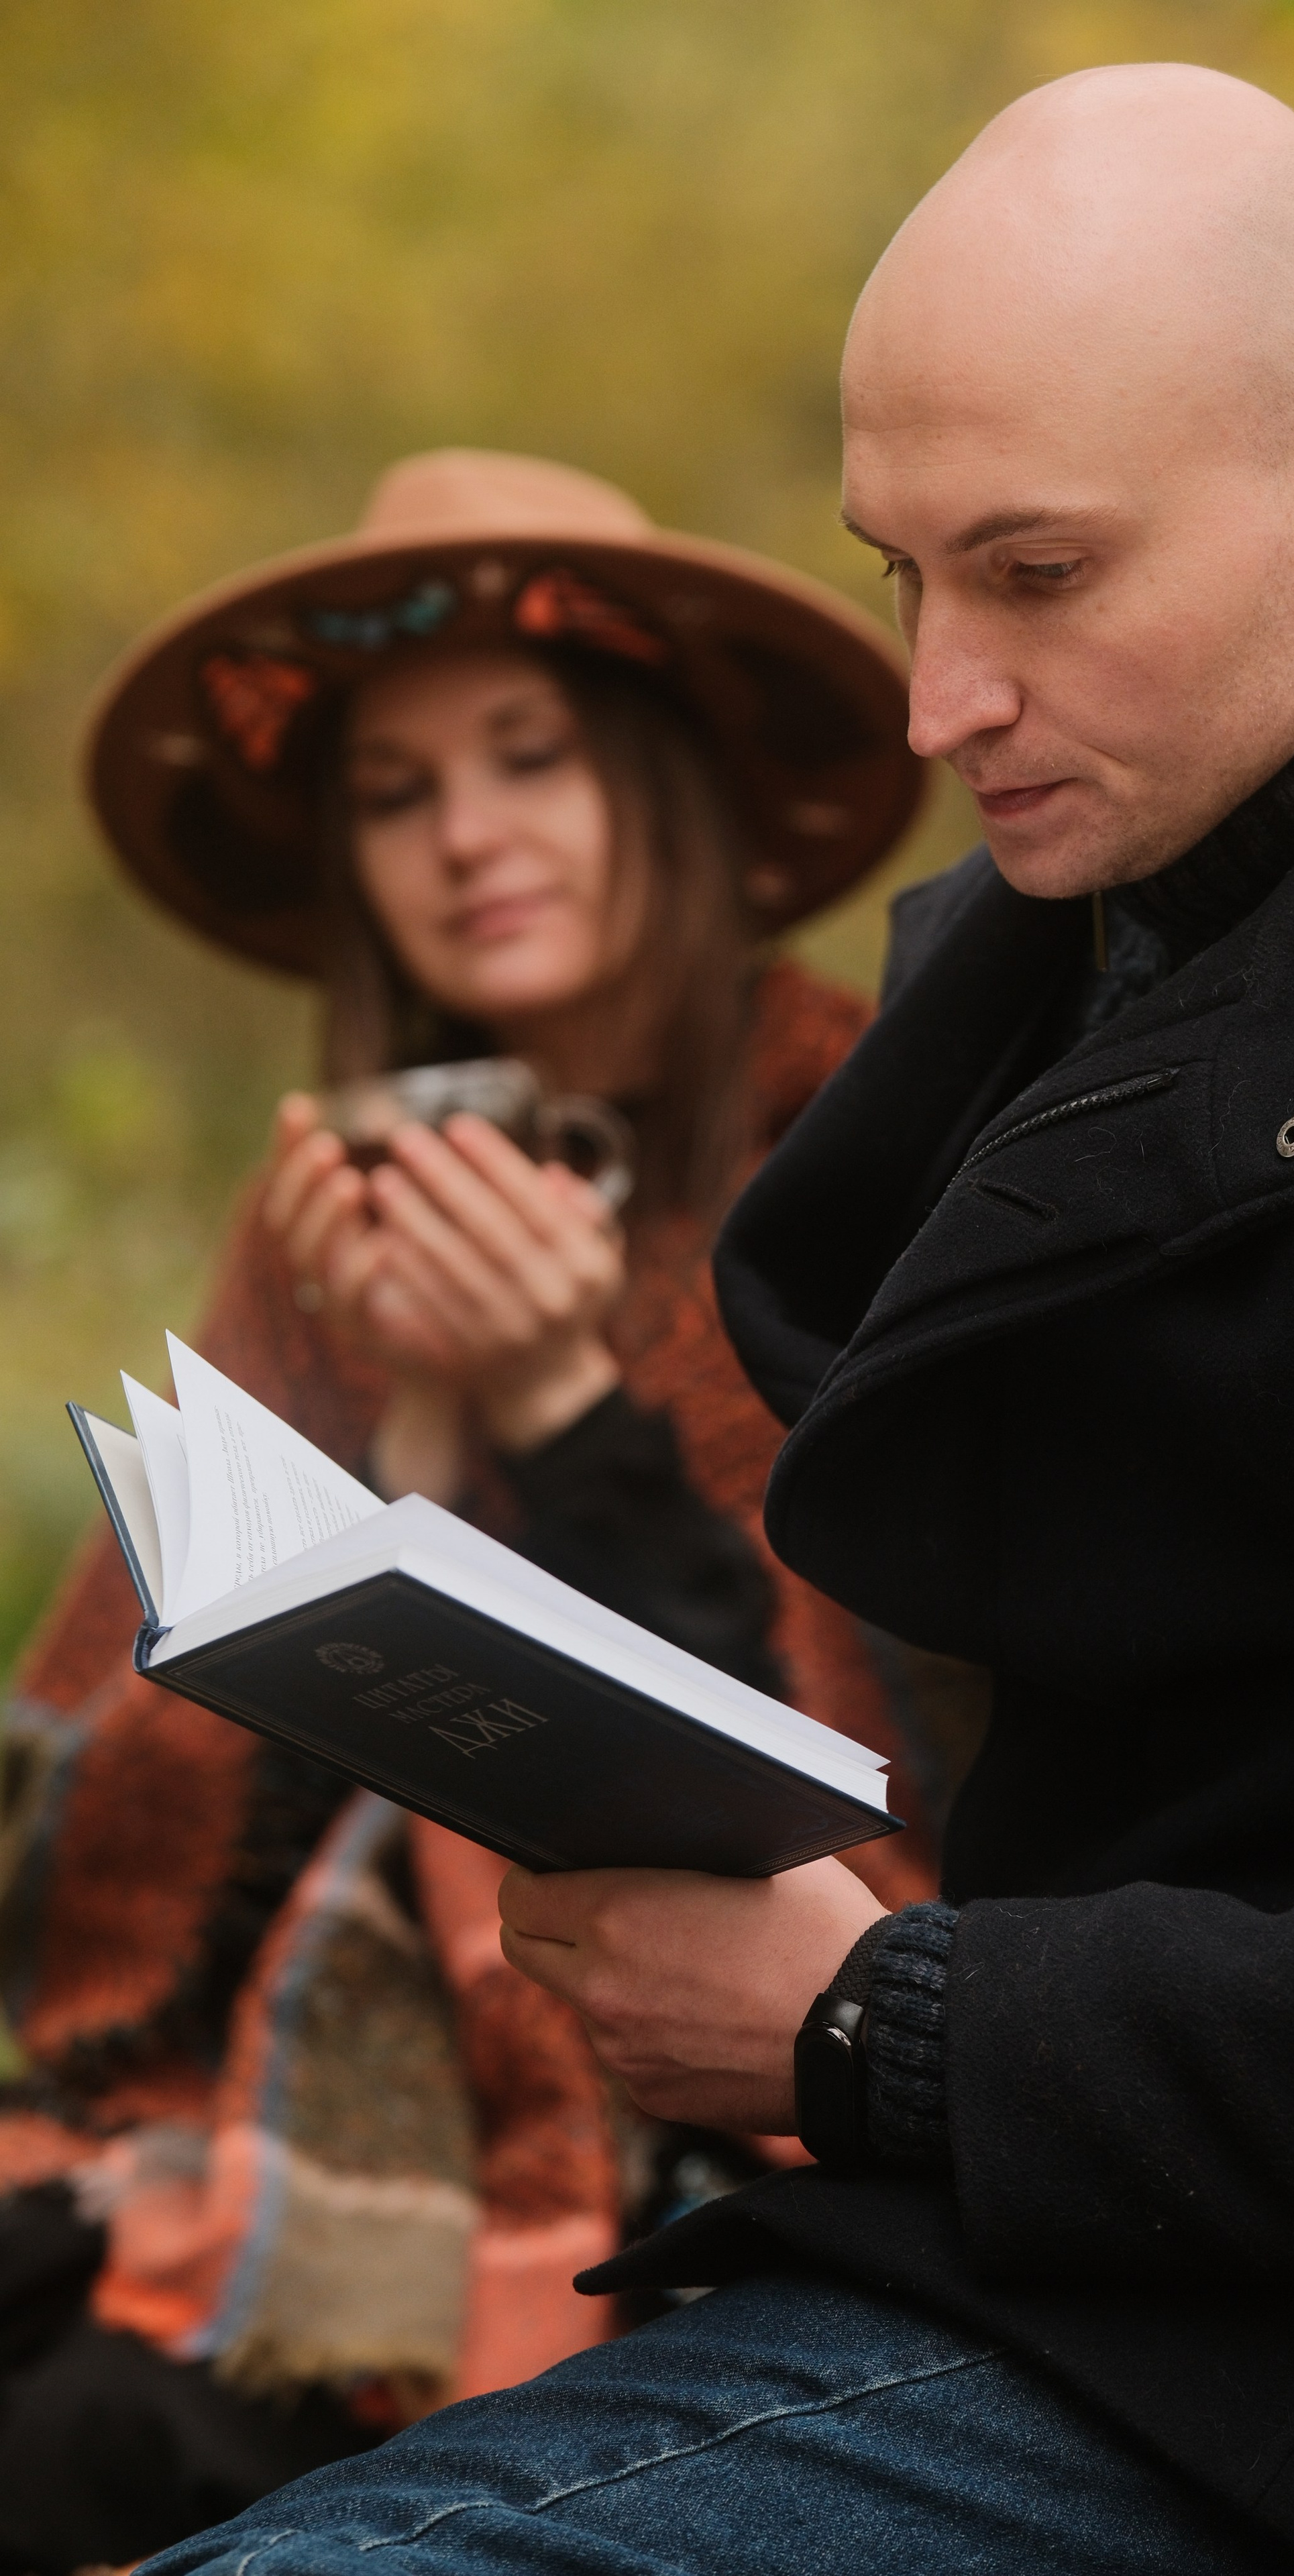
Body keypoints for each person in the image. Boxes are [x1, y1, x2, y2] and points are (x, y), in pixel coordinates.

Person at [129, 58, 1294, 2576]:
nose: (934, 701)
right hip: (1068, 2260)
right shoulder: (1084, 925)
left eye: (1040, 574)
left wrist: (887, 2030)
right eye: (903, 574)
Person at [0, 448, 941, 2573]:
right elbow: (113, 1878)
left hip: (716, 2141)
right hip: (273, 2139)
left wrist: (566, 1402)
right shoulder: (326, 1209)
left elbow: (860, 1799)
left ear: (659, 786)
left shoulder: (855, 1149)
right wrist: (408, 1448)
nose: (469, 836)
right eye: (398, 793)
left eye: (530, 758)